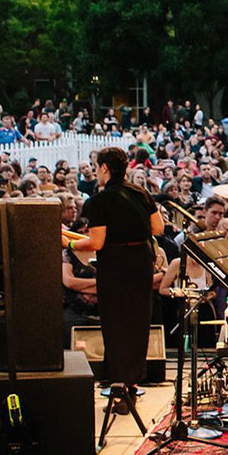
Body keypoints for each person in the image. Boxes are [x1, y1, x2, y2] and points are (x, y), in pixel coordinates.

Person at [66, 146, 161, 389]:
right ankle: (132, 382)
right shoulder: (141, 193)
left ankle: (119, 383)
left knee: (116, 324)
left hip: (116, 267)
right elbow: (158, 228)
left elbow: (96, 242)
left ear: (105, 168)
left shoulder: (100, 201)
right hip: (140, 263)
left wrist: (69, 241)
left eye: (97, 167)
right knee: (137, 323)